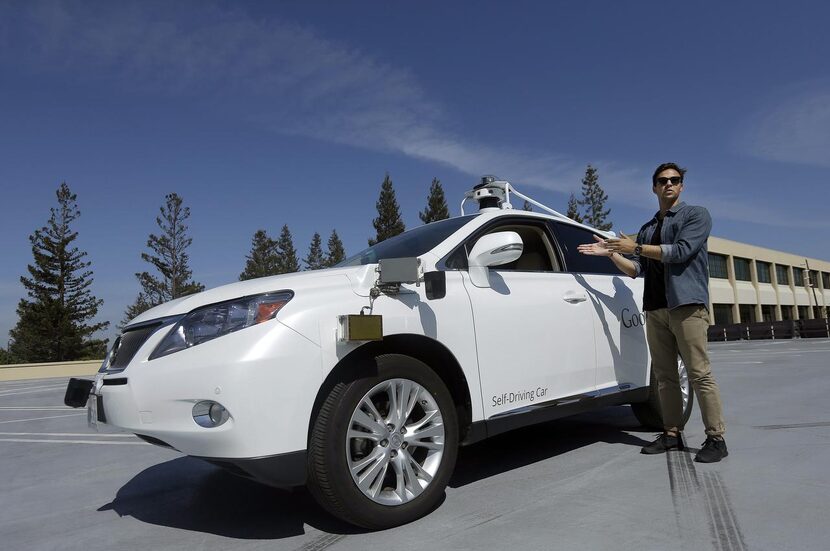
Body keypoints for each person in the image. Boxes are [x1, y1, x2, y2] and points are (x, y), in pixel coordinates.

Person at [576, 162, 728, 463]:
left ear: (681, 185)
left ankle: (716, 438)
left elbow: (680, 251)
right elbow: (636, 270)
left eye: (675, 180)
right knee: (664, 376)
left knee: (699, 373)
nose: (668, 184)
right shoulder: (647, 229)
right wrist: (614, 254)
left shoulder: (695, 215)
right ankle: (671, 433)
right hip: (655, 308)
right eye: (662, 180)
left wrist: (636, 247)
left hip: (686, 306)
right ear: (654, 187)